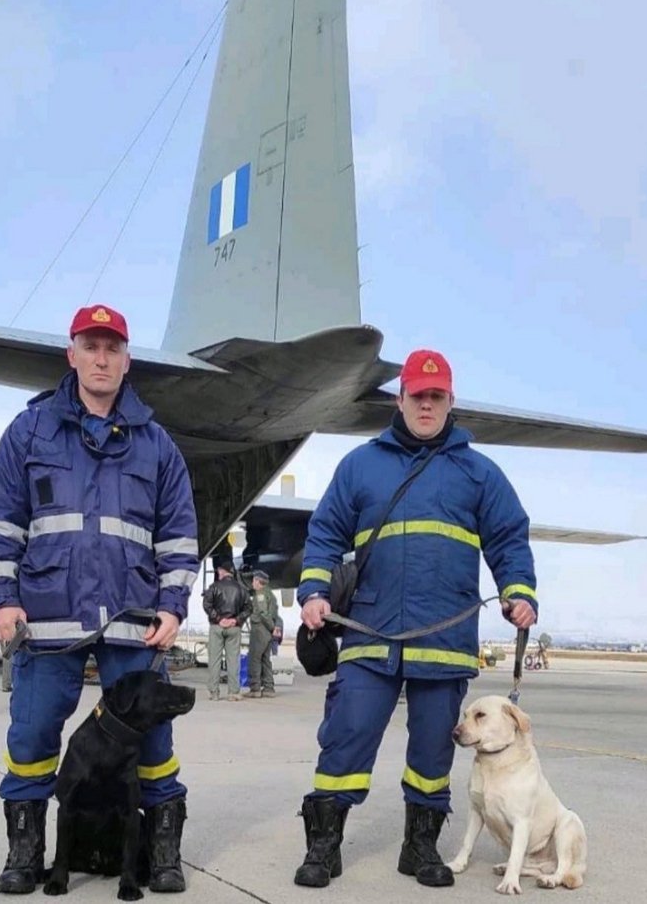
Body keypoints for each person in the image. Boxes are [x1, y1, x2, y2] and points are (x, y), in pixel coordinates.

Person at [294, 349, 537, 890]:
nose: (426, 405)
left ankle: (420, 846)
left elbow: (508, 540)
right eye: (417, 395)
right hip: (368, 633)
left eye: (437, 397)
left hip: (443, 639)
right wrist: (313, 591)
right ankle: (323, 846)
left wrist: (518, 593)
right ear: (399, 398)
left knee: (432, 751)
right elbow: (326, 533)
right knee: (347, 737)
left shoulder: (479, 473)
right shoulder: (360, 465)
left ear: (450, 402)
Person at [0, 303, 199, 895]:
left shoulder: (157, 445)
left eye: (113, 349)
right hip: (49, 618)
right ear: (71, 354)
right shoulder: (29, 432)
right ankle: (27, 852)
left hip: (134, 620)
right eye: (91, 346)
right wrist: (2, 599)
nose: (102, 359)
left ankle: (162, 847)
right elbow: (1, 524)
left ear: (127, 362)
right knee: (32, 737)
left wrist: (174, 604)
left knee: (155, 741)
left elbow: (179, 536)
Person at [202, 560, 251, 702]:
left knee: (214, 660)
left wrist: (218, 619)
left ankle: (214, 692)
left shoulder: (214, 587)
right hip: (234, 628)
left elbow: (206, 604)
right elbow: (248, 608)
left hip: (217, 627)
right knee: (233, 660)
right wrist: (235, 620)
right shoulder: (241, 589)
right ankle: (233, 692)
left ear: (222, 571)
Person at [246, 569, 280, 698]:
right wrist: (273, 627)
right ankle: (269, 688)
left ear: (258, 581)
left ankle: (255, 689)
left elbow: (263, 613)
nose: (252, 583)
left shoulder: (260, 594)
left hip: (260, 629)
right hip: (267, 631)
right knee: (266, 660)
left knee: (254, 658)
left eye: (254, 580)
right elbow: (274, 614)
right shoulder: (271, 594)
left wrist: (272, 628)